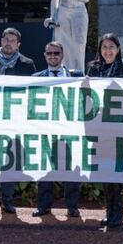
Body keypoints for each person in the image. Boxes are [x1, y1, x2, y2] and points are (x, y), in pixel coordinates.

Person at [0, 27, 36, 215]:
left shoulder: (27, 64)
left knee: (9, 161)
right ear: (1, 41)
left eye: (13, 40)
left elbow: (33, 93)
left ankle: (7, 201)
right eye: (6, 39)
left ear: (18, 44)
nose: (8, 43)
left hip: (14, 122)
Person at [86, 33, 123, 228]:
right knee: (106, 171)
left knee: (119, 170)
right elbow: (87, 96)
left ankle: (120, 213)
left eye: (111, 47)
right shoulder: (93, 68)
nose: (107, 51)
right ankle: (109, 211)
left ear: (118, 50)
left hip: (121, 128)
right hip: (100, 128)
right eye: (104, 47)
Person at [32, 41, 84, 219]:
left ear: (63, 55)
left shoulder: (77, 76)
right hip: (45, 131)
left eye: (56, 53)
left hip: (70, 131)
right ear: (45, 56)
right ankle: (44, 206)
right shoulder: (35, 78)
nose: (53, 56)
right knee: (45, 169)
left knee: (71, 170)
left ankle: (72, 207)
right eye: (49, 53)